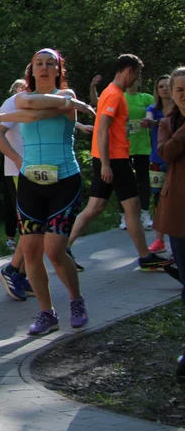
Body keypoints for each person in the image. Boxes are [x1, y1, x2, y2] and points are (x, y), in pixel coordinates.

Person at [0, 49, 95, 334]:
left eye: (49, 63)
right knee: (30, 251)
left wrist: (69, 102)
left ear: (58, 69)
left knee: (54, 250)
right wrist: (17, 157)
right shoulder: (22, 97)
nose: (43, 68)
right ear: (31, 69)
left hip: (64, 179)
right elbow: (25, 112)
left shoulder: (68, 94)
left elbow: (46, 111)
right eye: (38, 64)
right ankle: (47, 313)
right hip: (30, 181)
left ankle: (76, 300)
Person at [69, 55, 168, 271]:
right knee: (132, 207)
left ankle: (63, 247)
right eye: (138, 74)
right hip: (113, 160)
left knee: (95, 206)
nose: (138, 79)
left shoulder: (111, 92)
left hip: (107, 157)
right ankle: (145, 257)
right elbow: (102, 128)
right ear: (129, 71)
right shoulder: (113, 95)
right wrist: (106, 164)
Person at [91, 70, 155, 229]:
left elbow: (155, 113)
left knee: (142, 182)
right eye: (134, 76)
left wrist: (149, 122)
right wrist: (92, 87)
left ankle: (145, 214)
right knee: (120, 191)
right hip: (122, 150)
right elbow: (98, 109)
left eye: (138, 78)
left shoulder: (146, 98)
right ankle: (124, 218)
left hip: (142, 146)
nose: (135, 81)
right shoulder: (117, 96)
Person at [0, 78, 34, 301]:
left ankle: (23, 275)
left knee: (38, 229)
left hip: (40, 171)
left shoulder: (39, 101)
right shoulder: (12, 103)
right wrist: (17, 159)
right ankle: (13, 271)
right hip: (18, 172)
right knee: (30, 227)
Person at [154, 67, 185, 285]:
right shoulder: (167, 123)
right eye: (180, 90)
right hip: (178, 205)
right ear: (172, 94)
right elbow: (166, 153)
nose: (184, 95)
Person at [146, 75, 174, 255]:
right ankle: (159, 240)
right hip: (157, 160)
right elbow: (149, 119)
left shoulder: (179, 109)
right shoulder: (153, 109)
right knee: (158, 201)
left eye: (167, 86)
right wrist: (150, 122)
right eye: (160, 86)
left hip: (175, 161)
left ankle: (177, 241)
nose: (164, 89)